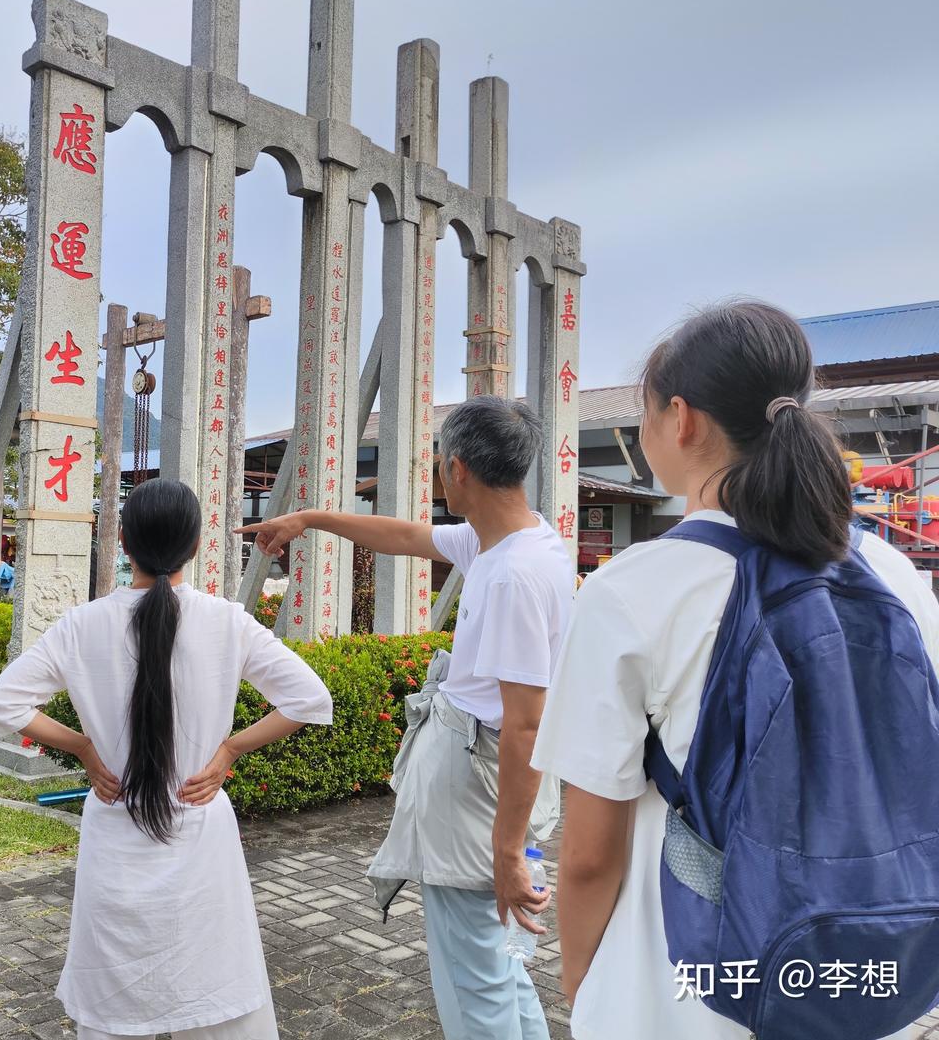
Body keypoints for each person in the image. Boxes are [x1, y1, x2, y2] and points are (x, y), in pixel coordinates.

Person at [531, 300, 939, 1040]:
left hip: (683, 990)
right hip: (863, 972)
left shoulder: (631, 591)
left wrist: (583, 979)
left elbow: (590, 855)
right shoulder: (893, 573)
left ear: (681, 419)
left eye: (646, 413)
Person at [239, 396, 568, 1040]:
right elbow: (406, 537)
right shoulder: (514, 540)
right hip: (494, 784)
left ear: (457, 469)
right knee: (503, 967)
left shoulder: (512, 574)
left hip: (481, 788)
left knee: (475, 980)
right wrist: (311, 519)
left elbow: (524, 725)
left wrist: (507, 851)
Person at [0, 478, 333, 1040]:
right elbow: (310, 699)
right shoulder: (227, 622)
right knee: (215, 995)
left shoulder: (82, 625)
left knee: (114, 1001)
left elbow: (1, 705)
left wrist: (84, 747)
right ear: (195, 546)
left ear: (123, 542)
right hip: (199, 828)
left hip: (115, 829)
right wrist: (230, 749)